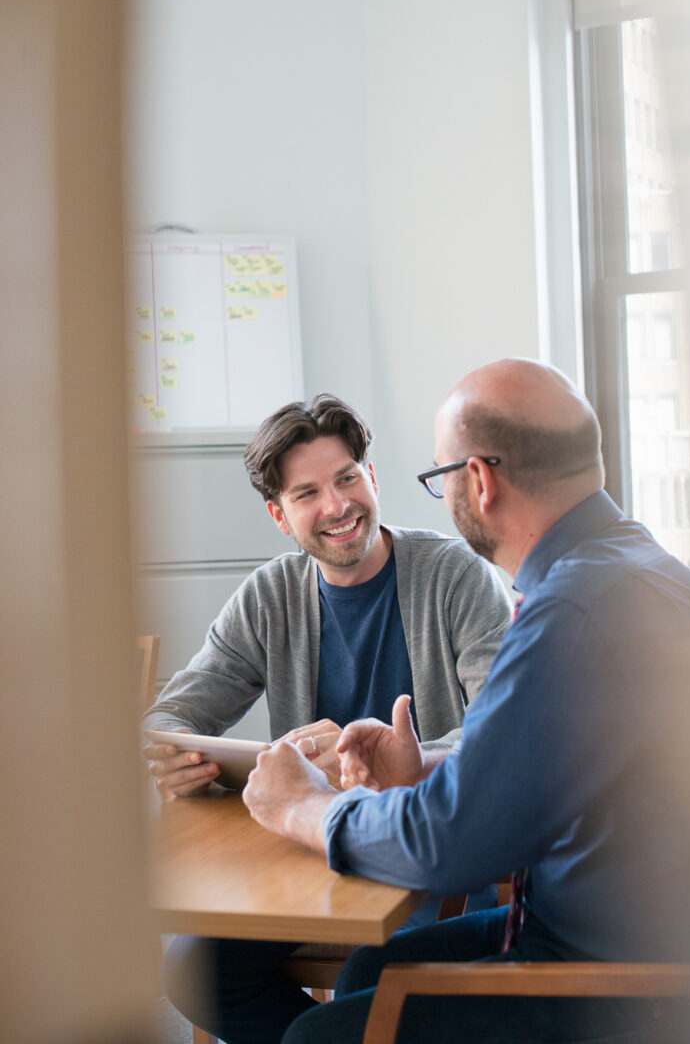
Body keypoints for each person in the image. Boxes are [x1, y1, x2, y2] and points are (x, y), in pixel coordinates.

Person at [241, 358, 690, 1044]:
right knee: (371, 968)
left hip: (624, 980)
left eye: (440, 477)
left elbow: (448, 848)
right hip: (612, 923)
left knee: (314, 1037)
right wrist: (430, 771)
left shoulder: (569, 613)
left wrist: (303, 806)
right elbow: (548, 775)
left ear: (480, 480)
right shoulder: (633, 565)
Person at [143, 391, 512, 1042]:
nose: (337, 505)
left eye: (347, 478)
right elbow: (175, 710)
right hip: (311, 858)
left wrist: (407, 761)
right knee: (196, 968)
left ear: (371, 477)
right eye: (307, 492)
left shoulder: (458, 575)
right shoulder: (270, 593)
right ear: (280, 516)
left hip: (422, 854)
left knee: (366, 988)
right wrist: (179, 755)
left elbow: (497, 738)